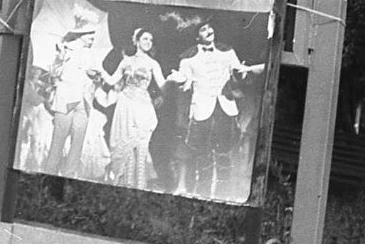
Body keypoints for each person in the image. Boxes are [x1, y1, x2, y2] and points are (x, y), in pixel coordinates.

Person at [170, 22, 264, 199]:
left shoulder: (227, 51)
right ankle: (203, 195)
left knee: (224, 153)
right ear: (197, 36)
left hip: (225, 107)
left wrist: (242, 74)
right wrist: (178, 79)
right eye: (203, 29)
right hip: (202, 109)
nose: (209, 31)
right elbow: (185, 80)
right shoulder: (188, 57)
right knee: (203, 154)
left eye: (209, 27)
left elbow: (238, 71)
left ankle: (223, 196)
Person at [100, 28, 168, 191]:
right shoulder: (126, 61)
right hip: (125, 105)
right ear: (136, 41)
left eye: (151, 40)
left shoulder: (153, 63)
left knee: (142, 145)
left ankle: (140, 186)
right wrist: (100, 70)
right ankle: (128, 185)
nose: (148, 42)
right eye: (145, 39)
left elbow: (163, 86)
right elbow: (112, 80)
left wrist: (174, 82)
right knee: (127, 148)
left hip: (143, 106)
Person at [42, 27, 105, 178]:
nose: (93, 38)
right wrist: (60, 58)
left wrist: (95, 76)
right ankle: (50, 175)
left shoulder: (93, 54)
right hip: (66, 99)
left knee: (77, 143)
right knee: (58, 140)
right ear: (81, 34)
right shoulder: (65, 49)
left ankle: (69, 175)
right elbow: (53, 73)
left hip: (84, 101)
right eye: (90, 35)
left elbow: (98, 79)